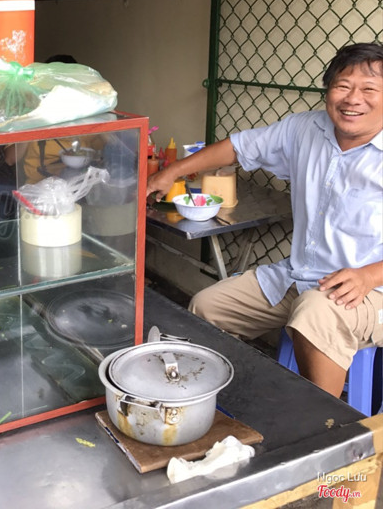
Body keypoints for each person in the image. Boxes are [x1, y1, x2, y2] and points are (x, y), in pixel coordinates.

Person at [146, 41, 383, 398]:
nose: (353, 99)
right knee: (206, 309)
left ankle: (325, 425)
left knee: (315, 314)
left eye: (369, 90)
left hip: (371, 290)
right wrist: (171, 172)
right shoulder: (305, 128)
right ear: (328, 90)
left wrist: (369, 275)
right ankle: (216, 402)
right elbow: (238, 147)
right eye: (343, 86)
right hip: (300, 275)